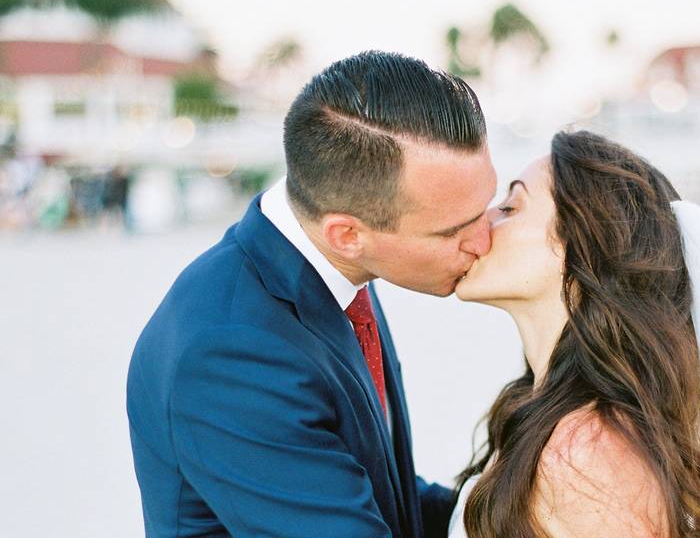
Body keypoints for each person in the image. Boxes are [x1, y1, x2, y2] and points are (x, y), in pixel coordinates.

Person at [127, 51, 497, 537]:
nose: (484, 240)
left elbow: (380, 488)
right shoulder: (233, 352)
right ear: (347, 233)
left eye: (488, 207)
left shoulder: (333, 263)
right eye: (454, 230)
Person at [452, 130, 700, 538]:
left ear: (580, 250)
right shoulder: (542, 415)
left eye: (511, 207)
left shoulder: (587, 453)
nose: (484, 223)